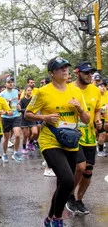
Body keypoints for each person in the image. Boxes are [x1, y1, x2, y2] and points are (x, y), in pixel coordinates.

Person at [25, 56, 90, 227]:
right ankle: (57, 218)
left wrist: (80, 108)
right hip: (50, 140)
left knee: (63, 183)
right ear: (52, 73)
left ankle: (49, 217)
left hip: (71, 141)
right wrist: (44, 117)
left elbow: (87, 119)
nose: (65, 71)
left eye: (66, 67)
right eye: (61, 68)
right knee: (68, 180)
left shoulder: (76, 91)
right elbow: (27, 113)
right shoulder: (41, 92)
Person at [65, 61, 102, 215]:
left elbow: (97, 109)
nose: (89, 75)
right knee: (80, 167)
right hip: (73, 136)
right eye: (86, 72)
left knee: (88, 171)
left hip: (89, 136)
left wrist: (98, 120)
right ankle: (68, 195)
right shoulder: (68, 89)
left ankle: (79, 200)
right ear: (76, 73)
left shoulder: (95, 91)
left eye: (90, 73)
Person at [0, 76, 22, 162]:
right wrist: (5, 111)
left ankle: (15, 153)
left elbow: (18, 101)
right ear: (5, 84)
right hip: (6, 118)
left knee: (17, 135)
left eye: (12, 82)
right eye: (9, 82)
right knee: (6, 138)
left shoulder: (16, 92)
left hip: (16, 116)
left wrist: (19, 105)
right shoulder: (2, 94)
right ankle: (4, 154)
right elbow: (0, 107)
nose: (11, 83)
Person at [17, 86, 38, 153]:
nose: (30, 91)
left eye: (30, 90)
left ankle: (30, 143)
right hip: (24, 119)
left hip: (32, 118)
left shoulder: (33, 99)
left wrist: (26, 110)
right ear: (25, 91)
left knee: (35, 133)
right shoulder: (22, 100)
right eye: (28, 90)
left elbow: (35, 108)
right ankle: (23, 147)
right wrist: (27, 110)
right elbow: (19, 110)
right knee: (25, 135)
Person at [97, 79, 108, 157]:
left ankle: (105, 148)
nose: (103, 87)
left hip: (106, 118)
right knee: (102, 134)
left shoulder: (107, 94)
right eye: (101, 86)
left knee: (105, 135)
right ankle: (100, 150)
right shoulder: (95, 95)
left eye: (104, 86)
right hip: (99, 118)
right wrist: (102, 109)